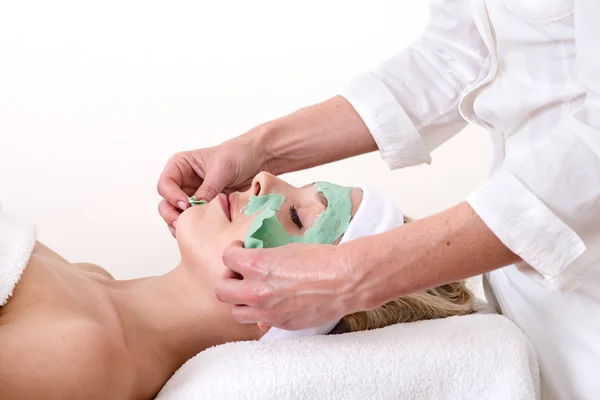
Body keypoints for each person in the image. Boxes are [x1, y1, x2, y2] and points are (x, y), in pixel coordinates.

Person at [157, 1, 600, 398]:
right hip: (531, 282)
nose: (265, 178)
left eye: (294, 216)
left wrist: (352, 275)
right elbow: (458, 56)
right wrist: (260, 146)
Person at [0, 172, 475, 400]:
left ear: (293, 308)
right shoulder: (93, 281)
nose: (266, 177)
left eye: (294, 215)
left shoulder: (85, 355)